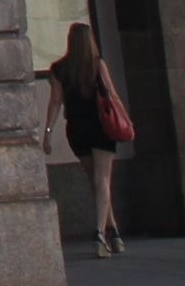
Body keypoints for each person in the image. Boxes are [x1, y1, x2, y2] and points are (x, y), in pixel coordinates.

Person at [40, 22, 125, 259]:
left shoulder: (58, 69)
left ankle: (114, 232)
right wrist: (126, 121)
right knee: (103, 180)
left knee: (95, 181)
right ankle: (100, 234)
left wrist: (48, 132)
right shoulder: (97, 65)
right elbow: (112, 95)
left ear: (70, 40)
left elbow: (55, 102)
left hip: (76, 129)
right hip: (101, 126)